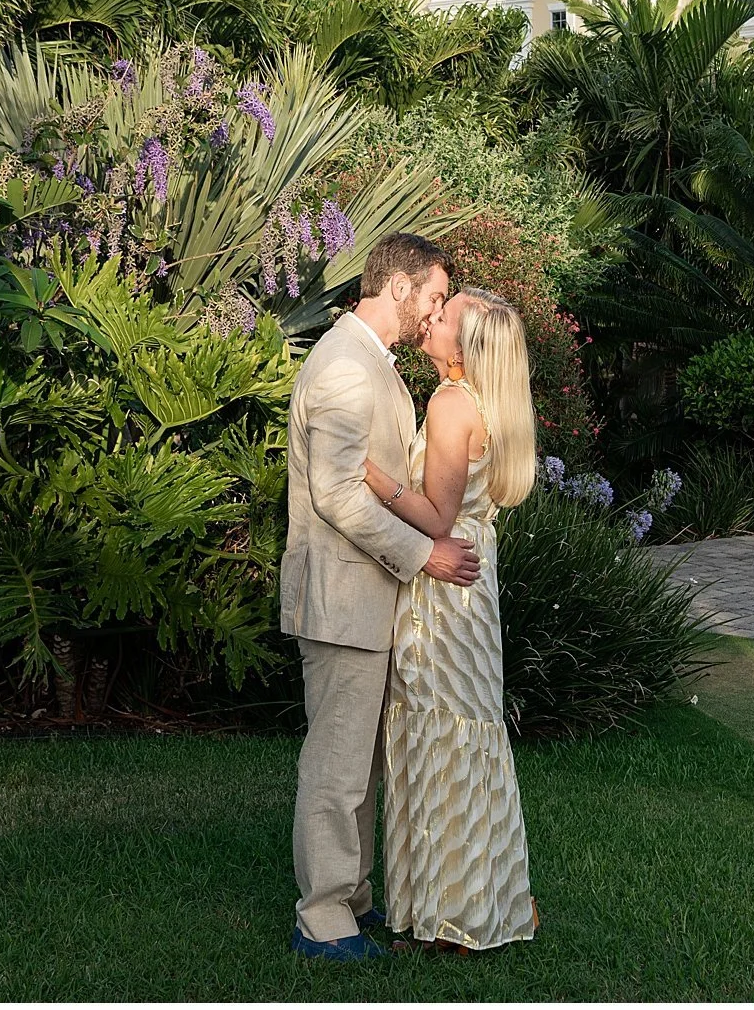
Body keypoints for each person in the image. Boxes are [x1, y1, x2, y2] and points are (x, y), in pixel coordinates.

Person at [280, 233, 479, 963]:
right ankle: (322, 916)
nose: (434, 313)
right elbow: (336, 495)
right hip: (339, 597)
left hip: (367, 597)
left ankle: (351, 901)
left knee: (359, 763)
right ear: (399, 288)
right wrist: (425, 554)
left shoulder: (372, 364)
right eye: (432, 296)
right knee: (335, 765)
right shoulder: (343, 368)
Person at [360, 285, 539, 951]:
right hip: (473, 586)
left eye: (443, 318)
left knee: (440, 737)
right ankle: (486, 897)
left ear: (463, 349)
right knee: (468, 736)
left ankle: (450, 915)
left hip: (444, 592)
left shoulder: (450, 401)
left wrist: (373, 476)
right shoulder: (491, 403)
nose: (429, 322)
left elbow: (435, 519)